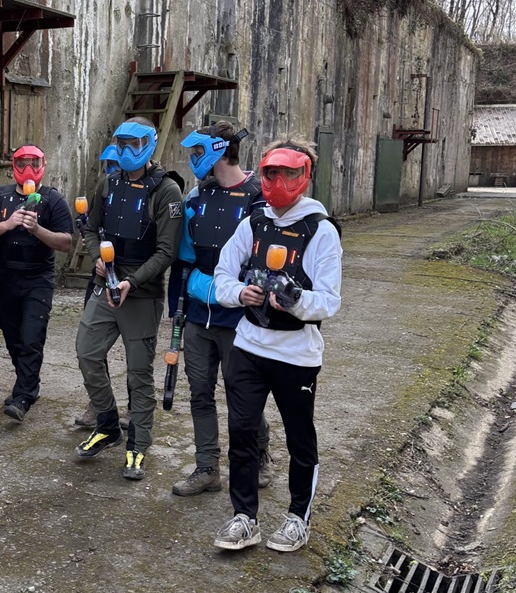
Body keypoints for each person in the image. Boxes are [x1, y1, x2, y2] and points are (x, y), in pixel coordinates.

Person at [211, 137, 342, 552]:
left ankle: (298, 518)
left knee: (300, 438)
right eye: (271, 173)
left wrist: (295, 299)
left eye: (289, 173)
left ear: (304, 175)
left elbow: (330, 300)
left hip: (296, 353)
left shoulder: (320, 230)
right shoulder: (253, 223)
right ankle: (244, 518)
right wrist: (239, 293)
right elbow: (222, 274)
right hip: (249, 346)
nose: (279, 181)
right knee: (242, 433)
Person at [168, 121, 274, 497]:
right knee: (200, 393)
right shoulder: (197, 197)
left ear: (219, 151)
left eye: (198, 151)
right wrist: (177, 307)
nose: (193, 158)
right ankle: (207, 468)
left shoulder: (258, 198)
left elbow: (266, 261)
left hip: (239, 318)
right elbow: (184, 260)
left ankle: (258, 456)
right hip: (198, 316)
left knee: (241, 395)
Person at [74, 117, 184, 480]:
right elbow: (91, 228)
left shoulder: (166, 191)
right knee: (87, 353)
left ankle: (138, 446)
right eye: (121, 144)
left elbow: (166, 251)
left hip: (141, 294)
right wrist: (98, 259)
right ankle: (107, 425)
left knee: (138, 374)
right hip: (106, 286)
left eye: (133, 145)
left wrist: (132, 282)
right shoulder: (109, 182)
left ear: (149, 144)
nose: (126, 151)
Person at [0, 145, 74, 422]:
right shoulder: (0, 195)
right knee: (11, 334)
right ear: (13, 167)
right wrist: (7, 224)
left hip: (38, 278)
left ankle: (23, 396)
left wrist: (37, 229)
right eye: (22, 164)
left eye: (34, 163)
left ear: (43, 165)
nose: (28, 170)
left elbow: (66, 242)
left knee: (32, 337)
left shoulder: (53, 199)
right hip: (6, 276)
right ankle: (28, 382)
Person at [74, 143, 130, 431]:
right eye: (108, 165)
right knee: (92, 347)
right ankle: (98, 404)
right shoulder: (104, 189)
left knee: (135, 352)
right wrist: (88, 235)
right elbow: (93, 230)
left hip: (132, 281)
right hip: (101, 277)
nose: (111, 170)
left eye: (115, 165)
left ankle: (134, 408)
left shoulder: (144, 191)